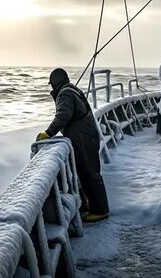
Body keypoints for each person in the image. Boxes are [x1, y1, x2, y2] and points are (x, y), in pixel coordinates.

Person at [36, 68, 109, 222]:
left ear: (55, 83)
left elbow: (63, 115)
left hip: (83, 138)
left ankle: (100, 210)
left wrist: (48, 133)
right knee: (89, 173)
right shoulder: (73, 90)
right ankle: (93, 206)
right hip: (87, 135)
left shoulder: (64, 94)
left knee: (89, 174)